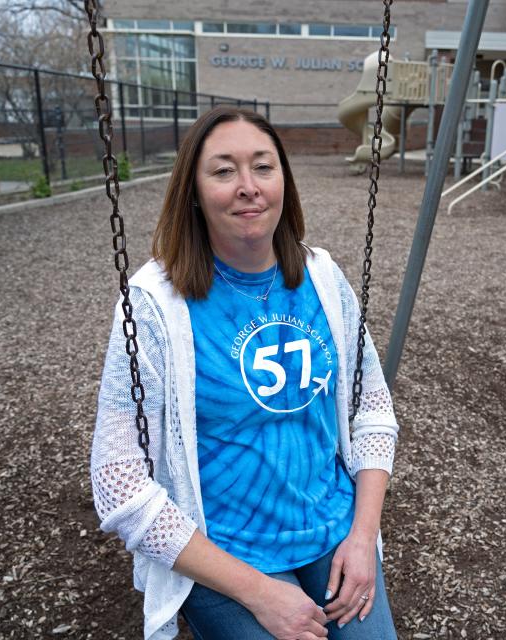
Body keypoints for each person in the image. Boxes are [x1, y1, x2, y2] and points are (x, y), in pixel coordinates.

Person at [90, 106, 400, 640]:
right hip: (226, 550)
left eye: (263, 167)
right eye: (223, 170)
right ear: (193, 190)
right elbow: (119, 485)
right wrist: (259, 592)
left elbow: (371, 409)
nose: (247, 187)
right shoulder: (153, 307)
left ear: (284, 181)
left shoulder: (324, 280)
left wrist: (363, 537)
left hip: (333, 530)